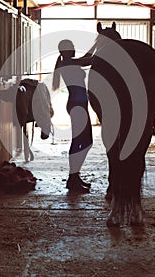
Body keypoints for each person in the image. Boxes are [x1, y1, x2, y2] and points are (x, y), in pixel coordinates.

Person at [52, 39, 93, 193]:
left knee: (85, 141)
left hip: (79, 105)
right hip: (77, 106)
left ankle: (75, 177)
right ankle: (72, 178)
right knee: (81, 142)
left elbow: (87, 58)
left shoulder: (68, 62)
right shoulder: (67, 63)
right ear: (66, 51)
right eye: (72, 47)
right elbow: (90, 59)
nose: (75, 49)